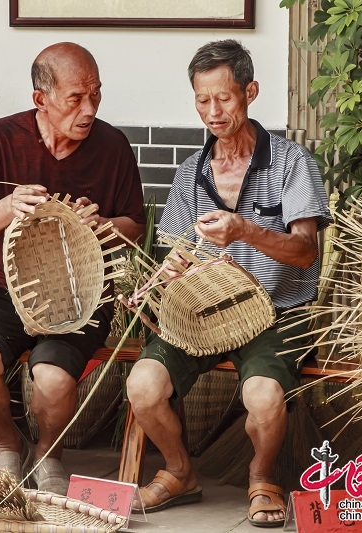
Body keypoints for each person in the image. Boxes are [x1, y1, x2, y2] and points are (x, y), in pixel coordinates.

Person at [124, 39, 331, 527]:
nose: (213, 112)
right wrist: (165, 275)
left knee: (262, 395)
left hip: (276, 312)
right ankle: (179, 473)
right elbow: (177, 250)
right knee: (143, 385)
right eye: (202, 100)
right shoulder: (191, 172)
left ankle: (262, 478)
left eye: (224, 98)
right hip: (203, 312)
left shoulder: (290, 162)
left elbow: (305, 252)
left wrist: (245, 231)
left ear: (250, 91)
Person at [0, 42, 146, 495]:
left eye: (96, 94)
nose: (89, 108)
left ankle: (47, 452)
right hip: (10, 290)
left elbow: (134, 225)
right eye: (75, 98)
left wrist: (101, 225)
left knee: (54, 378)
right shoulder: (0, 138)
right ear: (41, 98)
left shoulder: (112, 145)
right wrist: (9, 204)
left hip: (83, 295)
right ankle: (7, 446)